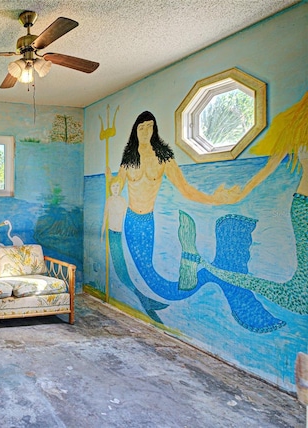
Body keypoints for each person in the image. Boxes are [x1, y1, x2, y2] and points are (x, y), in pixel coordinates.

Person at [110, 111, 285, 333]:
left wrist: (214, 200)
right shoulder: (129, 159)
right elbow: (117, 184)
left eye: (149, 127)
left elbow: (186, 189)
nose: (145, 132)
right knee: (151, 278)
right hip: (131, 221)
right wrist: (111, 181)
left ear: (155, 129)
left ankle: (209, 273)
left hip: (147, 222)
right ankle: (205, 272)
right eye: (141, 128)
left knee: (156, 283)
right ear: (135, 131)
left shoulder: (164, 158)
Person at [181, 91, 308, 315]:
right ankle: (212, 270)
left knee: (298, 297)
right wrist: (239, 195)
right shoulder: (296, 123)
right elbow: (268, 168)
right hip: (303, 207)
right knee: (299, 297)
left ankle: (211, 270)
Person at [101, 175, 168, 322]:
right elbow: (106, 216)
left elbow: (129, 218)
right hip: (112, 235)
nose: (116, 189)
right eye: (113, 187)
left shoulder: (123, 202)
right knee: (120, 271)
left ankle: (143, 299)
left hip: (118, 235)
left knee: (121, 270)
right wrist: (101, 234)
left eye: (118, 187)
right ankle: (144, 299)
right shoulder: (109, 201)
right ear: (110, 188)